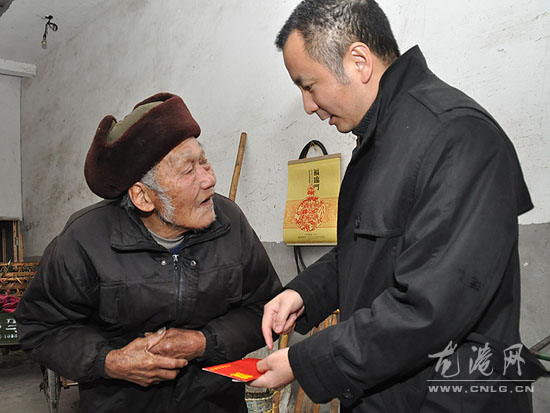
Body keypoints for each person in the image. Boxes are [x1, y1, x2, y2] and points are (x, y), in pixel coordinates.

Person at [249, 1, 545, 412]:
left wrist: (306, 361)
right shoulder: (382, 139)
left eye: (309, 85)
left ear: (358, 61)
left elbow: (430, 309)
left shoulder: (457, 136)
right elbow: (370, 251)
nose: (308, 106)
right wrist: (304, 293)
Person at [15, 92, 282, 413]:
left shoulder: (229, 222)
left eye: (204, 161)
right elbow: (40, 326)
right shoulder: (85, 238)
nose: (209, 179)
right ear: (143, 197)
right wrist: (109, 361)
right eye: (188, 170)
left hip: (215, 404)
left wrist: (205, 342)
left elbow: (265, 309)